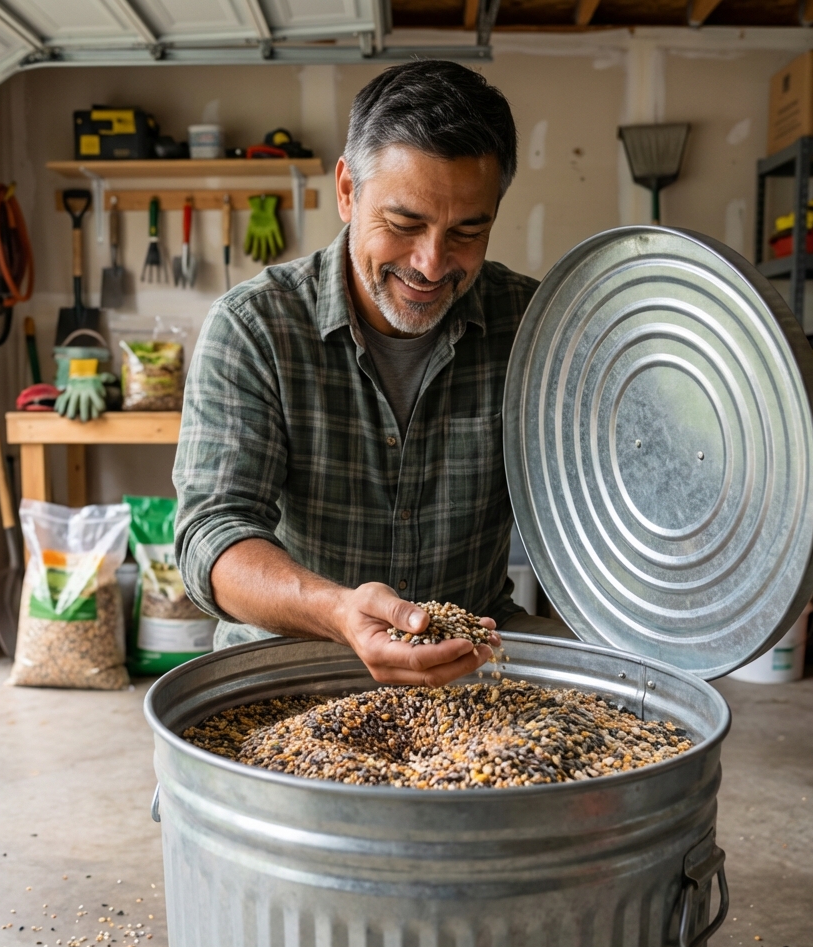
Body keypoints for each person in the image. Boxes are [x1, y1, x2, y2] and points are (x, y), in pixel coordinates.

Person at [174, 59, 539, 687]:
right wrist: (338, 612)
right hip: (287, 673)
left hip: (470, 674)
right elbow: (211, 536)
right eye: (404, 224)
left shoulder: (533, 327)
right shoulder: (254, 326)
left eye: (468, 231)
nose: (430, 264)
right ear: (347, 191)